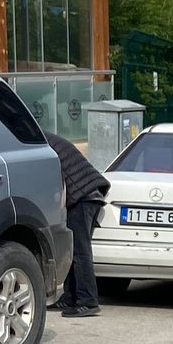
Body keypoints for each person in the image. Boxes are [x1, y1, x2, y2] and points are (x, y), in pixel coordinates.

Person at [44, 130, 110, 318]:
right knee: (73, 250)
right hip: (88, 193)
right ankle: (71, 296)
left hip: (83, 196)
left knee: (80, 252)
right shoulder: (45, 138)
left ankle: (88, 301)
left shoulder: (38, 144)